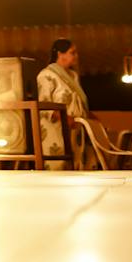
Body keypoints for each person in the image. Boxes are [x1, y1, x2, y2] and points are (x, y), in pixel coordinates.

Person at [36, 39, 91, 169]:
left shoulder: (73, 76)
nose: (76, 56)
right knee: (59, 168)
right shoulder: (46, 75)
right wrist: (66, 119)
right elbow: (44, 106)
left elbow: (78, 102)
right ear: (60, 54)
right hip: (56, 130)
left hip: (75, 131)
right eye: (72, 52)